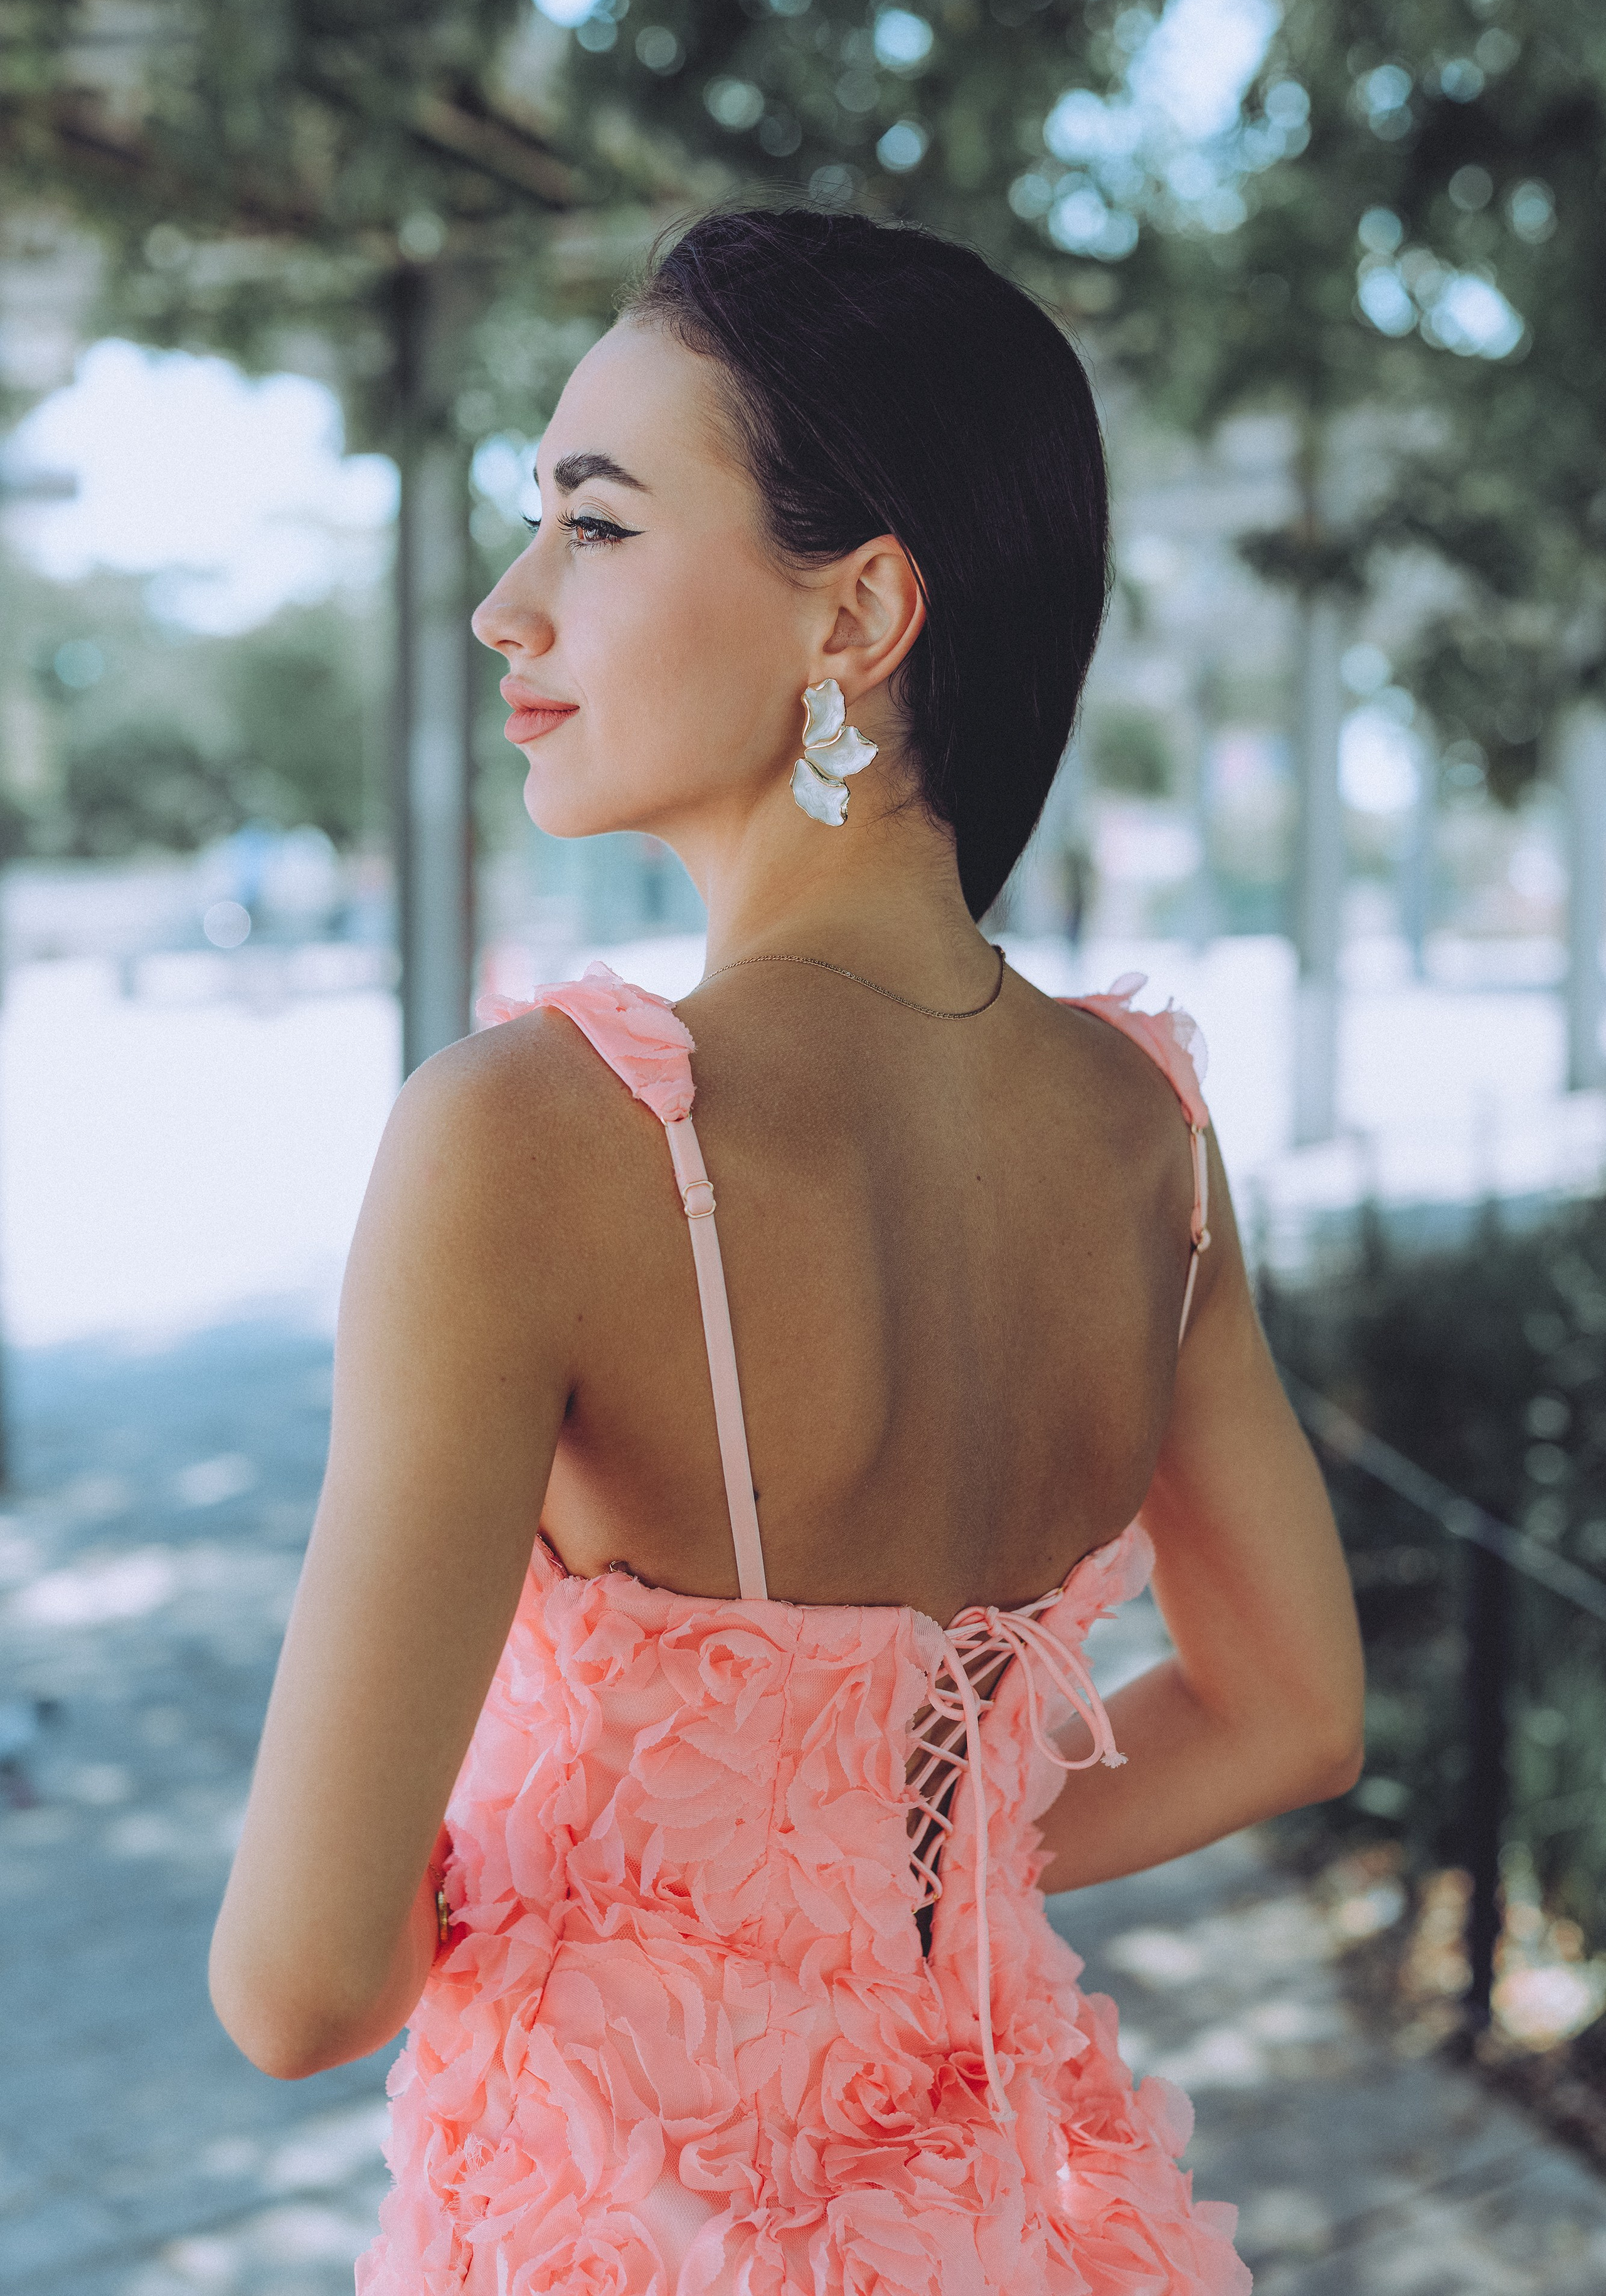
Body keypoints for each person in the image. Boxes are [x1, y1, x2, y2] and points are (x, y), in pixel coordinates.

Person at [210, 207, 1364, 2294]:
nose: (505, 607)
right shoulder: (1150, 1137)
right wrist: (881, 1886)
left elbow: (299, 1985)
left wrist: (634, 1899)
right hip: (1028, 2227)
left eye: (597, 524)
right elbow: (1292, 1710)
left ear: (862, 613)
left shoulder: (531, 1142)